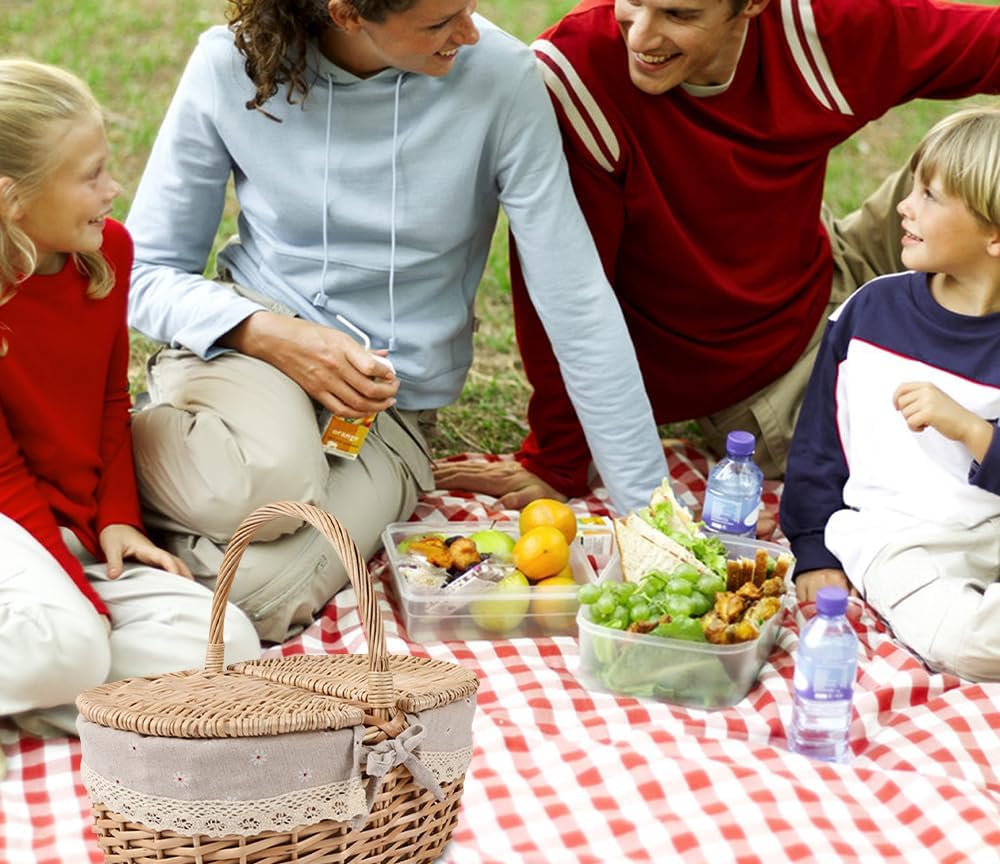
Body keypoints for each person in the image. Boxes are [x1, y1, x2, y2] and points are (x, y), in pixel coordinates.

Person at [125, 0, 668, 643]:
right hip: (254, 350)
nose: (469, 33)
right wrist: (271, 334)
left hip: (387, 409)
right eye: (441, 23)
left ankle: (142, 531)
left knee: (257, 598)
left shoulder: (500, 76)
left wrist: (652, 520)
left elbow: (575, 298)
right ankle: (112, 450)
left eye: (470, 7)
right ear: (348, 15)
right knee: (270, 477)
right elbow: (143, 272)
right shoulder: (231, 66)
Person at [434, 0, 1000, 509]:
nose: (642, 35)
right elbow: (564, 291)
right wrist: (558, 457)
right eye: (632, 2)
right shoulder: (581, 75)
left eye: (679, 15)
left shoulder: (820, 33)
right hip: (763, 378)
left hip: (827, 264)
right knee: (935, 470)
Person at [0, 59, 261, 745]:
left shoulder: (106, 252)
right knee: (76, 645)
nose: (114, 190)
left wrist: (117, 519)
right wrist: (80, 602)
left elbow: (112, 404)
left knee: (230, 643)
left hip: (68, 530)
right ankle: (60, 660)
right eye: (90, 176)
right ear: (12, 201)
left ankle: (37, 688)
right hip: (10, 521)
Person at [780, 106, 1000, 683]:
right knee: (968, 643)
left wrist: (971, 430)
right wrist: (814, 549)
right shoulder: (871, 313)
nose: (904, 205)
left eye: (930, 195)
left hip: (993, 532)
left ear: (995, 234)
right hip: (897, 540)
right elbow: (818, 450)